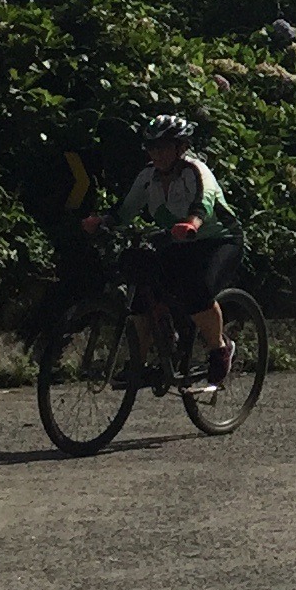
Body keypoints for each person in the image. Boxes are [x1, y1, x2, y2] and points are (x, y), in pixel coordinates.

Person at [81, 114, 244, 388]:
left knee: (198, 291)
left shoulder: (195, 171)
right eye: (152, 147)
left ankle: (219, 348)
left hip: (218, 240)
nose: (156, 153)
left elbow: (203, 202)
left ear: (180, 148)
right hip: (177, 241)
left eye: (164, 146)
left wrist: (192, 223)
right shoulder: (148, 177)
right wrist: (102, 222)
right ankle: (142, 360)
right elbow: (125, 210)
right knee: (141, 288)